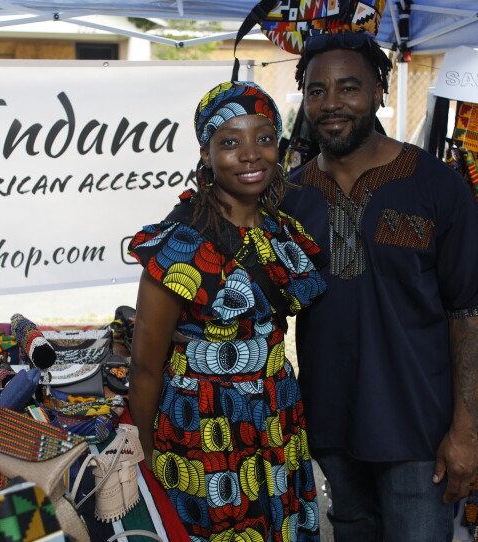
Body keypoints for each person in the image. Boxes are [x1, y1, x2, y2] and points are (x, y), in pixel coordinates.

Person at [281, 32, 478, 541]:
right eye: (316, 91)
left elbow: (470, 317)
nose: (331, 103)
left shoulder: (436, 185)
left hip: (418, 435)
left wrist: (464, 434)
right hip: (332, 429)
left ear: (380, 91)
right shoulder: (291, 195)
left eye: (348, 88)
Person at [128, 80, 328, 540]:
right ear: (206, 154)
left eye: (263, 137)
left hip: (277, 416)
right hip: (202, 425)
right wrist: (147, 454)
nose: (251, 153)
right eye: (230, 142)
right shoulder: (179, 246)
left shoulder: (283, 233)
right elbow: (143, 366)